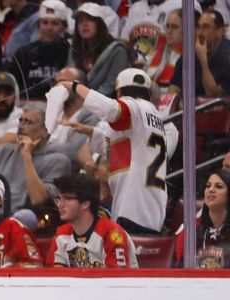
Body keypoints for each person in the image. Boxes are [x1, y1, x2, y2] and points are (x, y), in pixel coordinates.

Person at [60, 67, 177, 234]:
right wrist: (88, 130)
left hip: (133, 208)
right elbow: (118, 142)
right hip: (150, 207)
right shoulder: (153, 116)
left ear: (120, 91)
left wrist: (76, 87)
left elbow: (111, 110)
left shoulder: (135, 107)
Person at [0, 103, 71, 221]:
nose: (21, 126)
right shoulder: (2, 151)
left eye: (28, 122)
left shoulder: (58, 161)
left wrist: (26, 156)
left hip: (21, 220)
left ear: (46, 131)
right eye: (21, 121)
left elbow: (38, 200)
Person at [48, 173, 138, 268]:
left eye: (66, 199)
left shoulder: (113, 234)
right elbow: (53, 277)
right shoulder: (61, 233)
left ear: (85, 204)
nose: (59, 205)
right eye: (58, 199)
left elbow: (117, 280)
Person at [5, 0, 71, 100]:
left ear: (64, 27)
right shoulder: (24, 53)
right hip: (25, 108)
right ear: (38, 25)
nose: (49, 28)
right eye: (45, 22)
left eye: (55, 23)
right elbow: (9, 85)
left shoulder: (70, 53)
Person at [69, 3, 131, 97]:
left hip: (107, 105)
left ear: (100, 23)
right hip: (77, 102)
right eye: (80, 20)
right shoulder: (74, 51)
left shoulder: (118, 51)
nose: (84, 24)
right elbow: (69, 79)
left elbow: (112, 86)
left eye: (90, 19)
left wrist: (85, 100)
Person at [175, 171, 230, 268]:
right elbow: (180, 270)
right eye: (208, 186)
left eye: (219, 186)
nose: (211, 190)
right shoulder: (193, 232)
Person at [171, 9, 230, 98]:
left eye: (206, 27)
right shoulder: (189, 55)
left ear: (220, 31)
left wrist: (203, 60)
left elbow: (213, 95)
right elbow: (173, 90)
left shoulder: (227, 55)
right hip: (190, 108)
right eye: (199, 27)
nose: (200, 32)